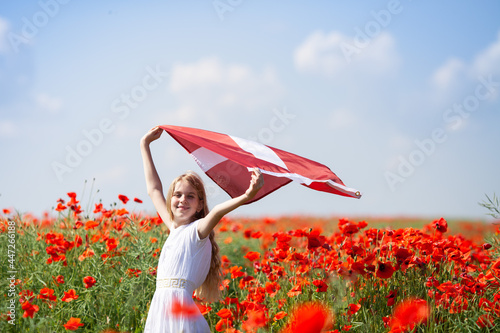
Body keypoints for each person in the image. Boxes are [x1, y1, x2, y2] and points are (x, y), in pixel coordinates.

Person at [140, 126, 264, 332]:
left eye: (190, 196)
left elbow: (216, 212)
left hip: (181, 313)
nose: (182, 200)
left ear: (199, 205)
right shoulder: (173, 229)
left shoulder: (197, 232)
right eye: (177, 194)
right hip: (159, 311)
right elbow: (153, 190)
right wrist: (144, 145)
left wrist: (245, 197)